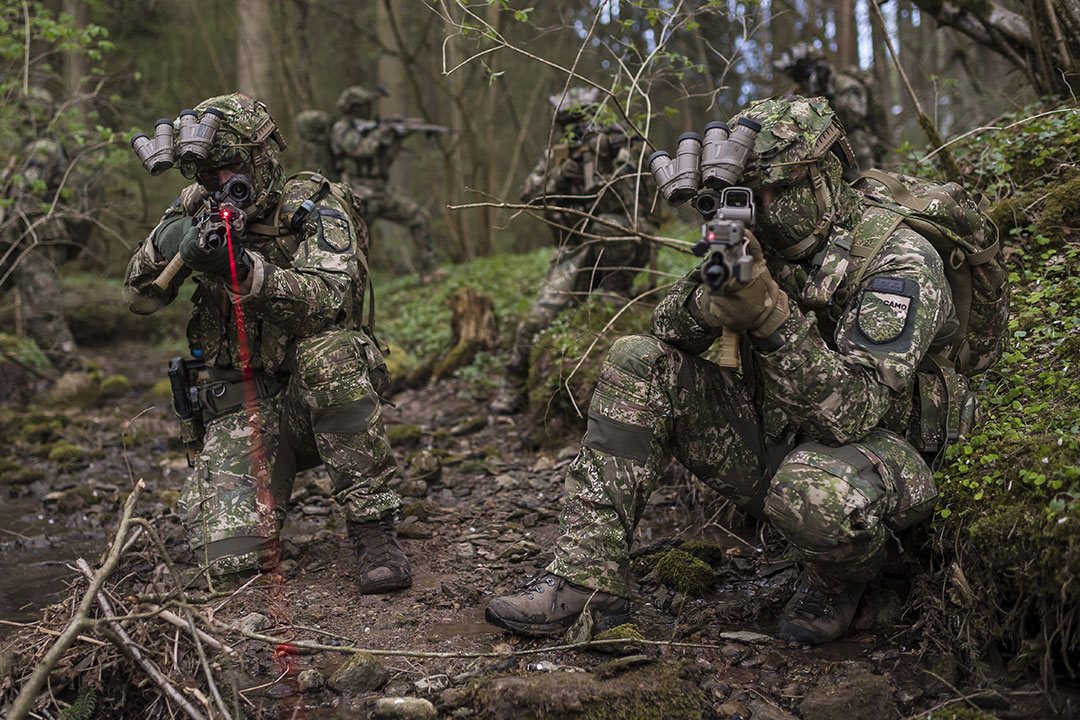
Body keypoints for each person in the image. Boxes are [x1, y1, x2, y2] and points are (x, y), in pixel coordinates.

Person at [485, 95, 973, 645]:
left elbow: (852, 415)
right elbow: (665, 327)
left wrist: (770, 318)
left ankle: (853, 581)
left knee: (812, 490)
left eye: (774, 191)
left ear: (824, 178)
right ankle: (584, 581)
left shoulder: (898, 260)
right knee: (636, 361)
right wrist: (708, 306)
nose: (760, 207)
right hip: (786, 435)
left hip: (887, 456)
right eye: (748, 193)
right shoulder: (764, 241)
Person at [124, 92, 411, 593]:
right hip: (244, 405)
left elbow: (327, 299)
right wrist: (170, 243)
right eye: (206, 173)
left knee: (332, 352)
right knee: (229, 562)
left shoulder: (314, 202)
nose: (219, 183)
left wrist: (242, 271)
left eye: (231, 166)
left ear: (263, 154)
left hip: (313, 398)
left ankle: (373, 528)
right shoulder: (197, 203)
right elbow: (138, 296)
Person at [488, 87, 659, 415]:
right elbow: (528, 194)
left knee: (615, 225)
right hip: (573, 250)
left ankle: (614, 287)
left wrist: (615, 160)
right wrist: (559, 178)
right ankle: (513, 384)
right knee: (535, 321)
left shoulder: (619, 149)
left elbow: (645, 206)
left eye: (583, 123)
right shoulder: (558, 154)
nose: (578, 131)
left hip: (615, 251)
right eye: (570, 124)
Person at [1, 88, 90, 375]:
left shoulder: (43, 149)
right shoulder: (33, 149)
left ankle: (76, 378)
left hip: (34, 240)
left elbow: (26, 198)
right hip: (19, 238)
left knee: (43, 316)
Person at [330, 85, 436, 278]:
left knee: (419, 217)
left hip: (381, 191)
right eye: (362, 106)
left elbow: (384, 160)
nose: (367, 109)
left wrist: (396, 137)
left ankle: (428, 271)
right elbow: (362, 149)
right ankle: (348, 286)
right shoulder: (342, 129)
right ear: (352, 108)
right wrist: (382, 131)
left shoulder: (373, 128)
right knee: (355, 243)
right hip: (356, 193)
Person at [773, 42, 892, 181]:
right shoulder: (801, 92)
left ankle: (866, 183)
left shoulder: (845, 84)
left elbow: (855, 116)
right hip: (821, 148)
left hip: (853, 145)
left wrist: (829, 96)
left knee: (857, 137)